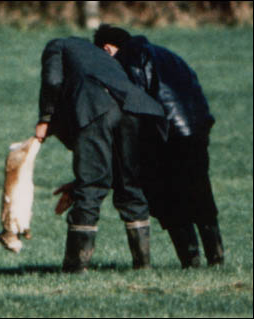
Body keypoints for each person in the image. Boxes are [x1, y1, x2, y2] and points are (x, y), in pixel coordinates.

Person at [93, 24, 224, 268]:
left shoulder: (127, 58)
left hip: (167, 135)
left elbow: (137, 103)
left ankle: (190, 259)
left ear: (107, 48)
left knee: (166, 198)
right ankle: (216, 257)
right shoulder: (166, 54)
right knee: (200, 191)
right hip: (196, 128)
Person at [35, 37, 166, 273]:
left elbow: (53, 80)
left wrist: (45, 119)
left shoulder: (57, 44)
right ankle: (143, 264)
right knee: (131, 185)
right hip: (134, 108)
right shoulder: (101, 59)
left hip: (95, 106)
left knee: (91, 187)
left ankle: (76, 266)